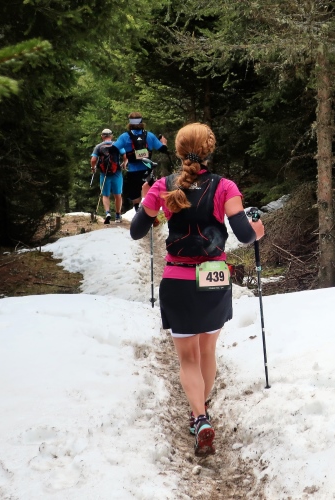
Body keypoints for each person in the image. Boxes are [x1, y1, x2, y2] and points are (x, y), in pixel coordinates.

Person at [130, 123, 265, 456]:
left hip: (177, 278)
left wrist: (147, 200)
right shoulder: (225, 187)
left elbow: (137, 230)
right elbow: (245, 235)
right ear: (209, 150)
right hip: (213, 276)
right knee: (207, 350)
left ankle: (200, 417)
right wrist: (258, 230)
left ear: (178, 151)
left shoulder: (163, 186)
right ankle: (200, 412)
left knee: (188, 357)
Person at [113, 112, 168, 212]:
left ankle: (137, 211)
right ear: (142, 122)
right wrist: (164, 142)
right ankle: (149, 213)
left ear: (130, 123)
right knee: (148, 193)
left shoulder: (125, 137)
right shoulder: (149, 135)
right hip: (147, 170)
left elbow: (113, 150)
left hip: (133, 171)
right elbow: (163, 149)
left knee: (135, 196)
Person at [91, 128, 124, 224]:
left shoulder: (98, 147)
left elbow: (93, 160)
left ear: (102, 136)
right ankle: (117, 216)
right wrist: (124, 163)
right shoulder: (117, 145)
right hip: (116, 173)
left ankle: (107, 213)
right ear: (111, 136)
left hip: (104, 173)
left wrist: (93, 168)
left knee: (105, 195)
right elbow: (125, 155)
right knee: (118, 195)